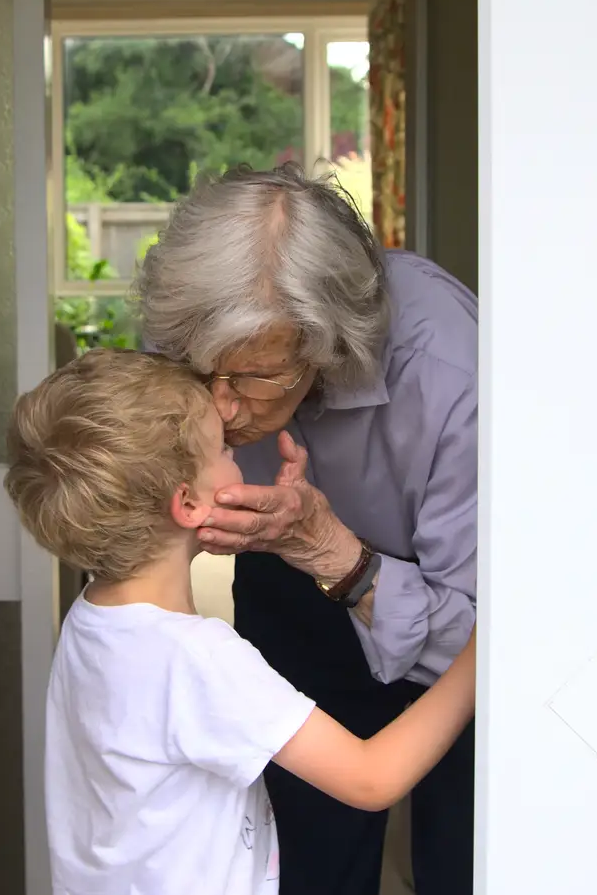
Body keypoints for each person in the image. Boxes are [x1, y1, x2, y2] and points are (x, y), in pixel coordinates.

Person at [5, 347, 476, 895]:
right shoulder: (199, 658)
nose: (237, 451)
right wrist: (478, 652)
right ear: (188, 505)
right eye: (223, 448)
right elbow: (371, 778)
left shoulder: (89, 621)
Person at [135, 165, 478, 895]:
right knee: (305, 858)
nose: (222, 411)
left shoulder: (450, 373)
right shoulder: (189, 324)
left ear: (324, 348)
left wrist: (338, 554)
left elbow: (488, 641)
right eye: (204, 374)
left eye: (255, 378)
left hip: (458, 611)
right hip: (288, 577)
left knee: (466, 854)